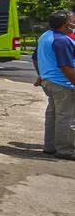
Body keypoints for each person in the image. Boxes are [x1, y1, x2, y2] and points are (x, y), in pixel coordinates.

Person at [32, 10, 75, 159]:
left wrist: (41, 75)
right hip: (63, 84)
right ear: (64, 24)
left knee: (53, 115)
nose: (73, 23)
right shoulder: (62, 40)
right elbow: (66, 67)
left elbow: (36, 58)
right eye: (71, 21)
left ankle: (50, 146)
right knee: (66, 117)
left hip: (49, 82)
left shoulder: (45, 36)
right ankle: (65, 150)